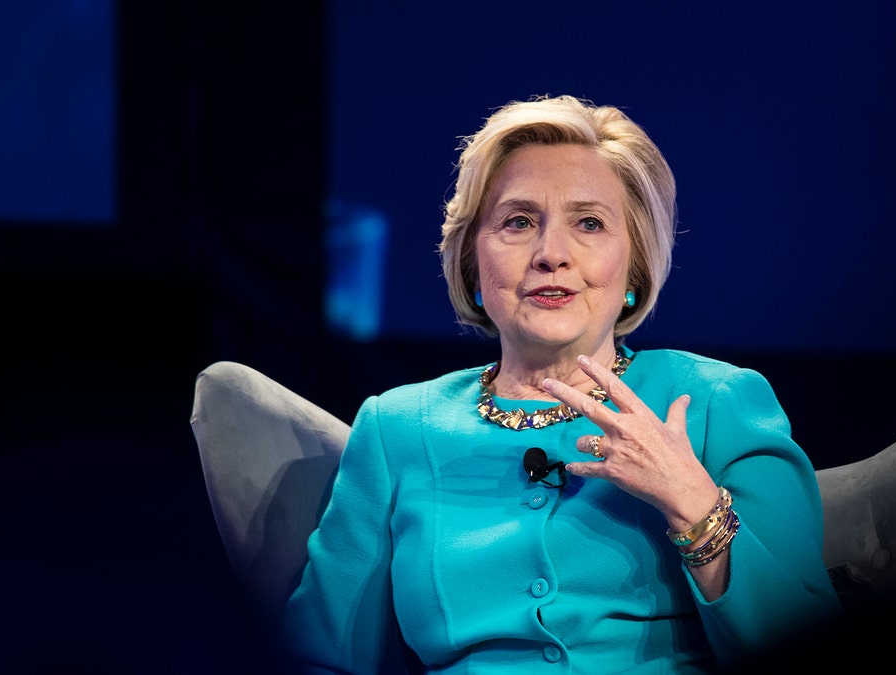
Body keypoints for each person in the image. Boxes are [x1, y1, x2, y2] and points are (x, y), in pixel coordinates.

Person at [280, 94, 842, 674]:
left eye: (590, 223)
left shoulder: (716, 402)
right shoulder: (396, 428)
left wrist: (692, 502)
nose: (552, 255)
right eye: (518, 222)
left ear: (635, 268)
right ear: (474, 267)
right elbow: (319, 655)